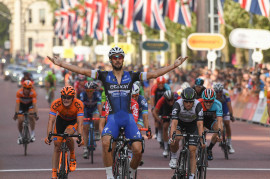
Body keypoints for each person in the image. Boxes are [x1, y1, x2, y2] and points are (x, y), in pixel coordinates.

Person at [47, 46, 187, 179]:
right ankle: (109, 175)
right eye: (114, 57)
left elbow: (154, 74)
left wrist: (174, 66)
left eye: (120, 57)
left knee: (138, 150)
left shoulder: (132, 76)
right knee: (106, 142)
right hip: (113, 119)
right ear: (111, 60)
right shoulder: (104, 75)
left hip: (128, 119)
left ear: (123, 59)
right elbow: (82, 71)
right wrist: (61, 64)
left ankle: (131, 173)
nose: (117, 59)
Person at [44, 86, 84, 179]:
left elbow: (80, 122)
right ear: (61, 97)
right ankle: (54, 173)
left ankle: (72, 155)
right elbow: (51, 121)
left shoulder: (79, 104)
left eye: (69, 97)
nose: (66, 99)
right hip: (61, 121)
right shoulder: (56, 103)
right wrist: (48, 135)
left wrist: (80, 136)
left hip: (73, 121)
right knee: (57, 145)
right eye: (64, 97)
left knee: (68, 133)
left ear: (73, 98)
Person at [169, 87, 205, 179]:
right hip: (180, 123)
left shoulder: (198, 105)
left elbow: (200, 124)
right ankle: (173, 157)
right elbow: (174, 122)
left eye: (191, 102)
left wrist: (202, 139)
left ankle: (191, 176)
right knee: (175, 138)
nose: (188, 104)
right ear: (182, 100)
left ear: (194, 100)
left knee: (192, 149)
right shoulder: (177, 104)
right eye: (186, 101)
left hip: (193, 125)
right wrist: (172, 136)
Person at [153, 90, 180, 157]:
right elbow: (154, 112)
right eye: (168, 100)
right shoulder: (162, 99)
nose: (170, 102)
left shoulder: (178, 98)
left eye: (171, 100)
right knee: (165, 127)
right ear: (165, 99)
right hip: (166, 110)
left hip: (176, 109)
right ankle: (166, 148)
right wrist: (159, 119)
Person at [198, 88, 223, 160]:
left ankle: (209, 148)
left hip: (209, 120)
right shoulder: (198, 103)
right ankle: (200, 146)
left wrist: (219, 134)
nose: (208, 103)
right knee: (201, 131)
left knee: (220, 129)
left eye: (210, 101)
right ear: (203, 100)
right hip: (199, 120)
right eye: (206, 101)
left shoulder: (217, 104)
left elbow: (219, 121)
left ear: (214, 100)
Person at [80, 82, 102, 159]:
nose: (89, 92)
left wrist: (101, 115)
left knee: (96, 118)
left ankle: (96, 131)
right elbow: (81, 106)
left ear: (94, 90)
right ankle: (85, 149)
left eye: (91, 91)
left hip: (94, 109)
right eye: (87, 91)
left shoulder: (97, 94)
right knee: (85, 128)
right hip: (86, 110)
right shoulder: (82, 95)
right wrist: (81, 116)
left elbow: (99, 105)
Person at [213, 83, 236, 154]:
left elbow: (229, 104)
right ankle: (220, 136)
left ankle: (229, 143)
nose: (218, 93)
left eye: (220, 91)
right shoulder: (213, 94)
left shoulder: (226, 93)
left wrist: (231, 114)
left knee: (227, 123)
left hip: (224, 108)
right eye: (217, 92)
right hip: (216, 109)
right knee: (218, 124)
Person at [151, 76, 170, 146]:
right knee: (157, 119)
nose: (161, 85)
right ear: (157, 83)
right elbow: (152, 98)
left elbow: (170, 96)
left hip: (165, 106)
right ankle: (158, 132)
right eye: (159, 84)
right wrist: (153, 107)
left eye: (162, 84)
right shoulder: (154, 88)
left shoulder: (167, 87)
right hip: (157, 106)